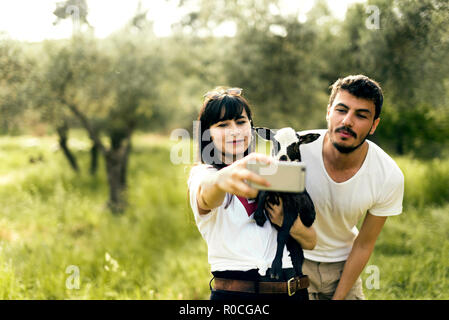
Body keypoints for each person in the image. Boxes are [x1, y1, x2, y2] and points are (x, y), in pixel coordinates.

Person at [271, 75, 404, 300]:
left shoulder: (388, 175)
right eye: (341, 110)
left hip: (344, 267)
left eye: (361, 115)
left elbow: (364, 244)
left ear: (374, 125)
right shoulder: (294, 149)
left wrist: (339, 296)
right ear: (328, 112)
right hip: (292, 259)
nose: (347, 121)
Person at [187, 87, 316, 300]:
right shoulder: (202, 174)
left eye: (240, 122)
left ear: (251, 126)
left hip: (293, 291)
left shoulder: (274, 171)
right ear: (206, 133)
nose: (235, 131)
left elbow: (311, 241)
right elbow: (206, 192)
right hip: (237, 297)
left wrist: (285, 221)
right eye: (222, 125)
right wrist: (223, 179)